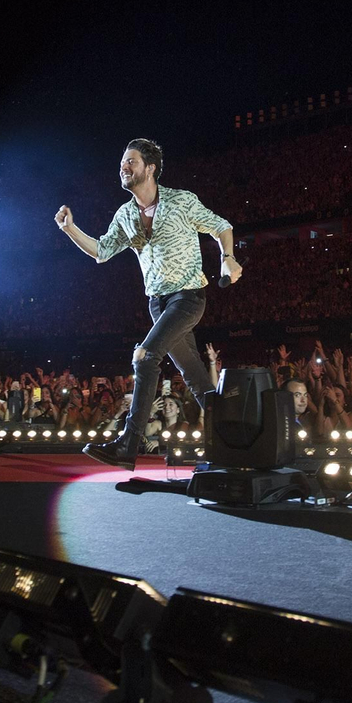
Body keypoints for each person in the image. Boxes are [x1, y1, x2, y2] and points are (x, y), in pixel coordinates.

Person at [55, 138, 242, 469]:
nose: (123, 167)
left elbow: (221, 226)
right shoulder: (126, 215)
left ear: (150, 168)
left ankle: (128, 445)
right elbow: (101, 251)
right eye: (122, 162)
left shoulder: (181, 201)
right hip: (158, 303)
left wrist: (227, 258)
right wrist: (70, 229)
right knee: (196, 379)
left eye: (131, 161)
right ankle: (236, 438)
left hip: (187, 297)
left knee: (144, 355)